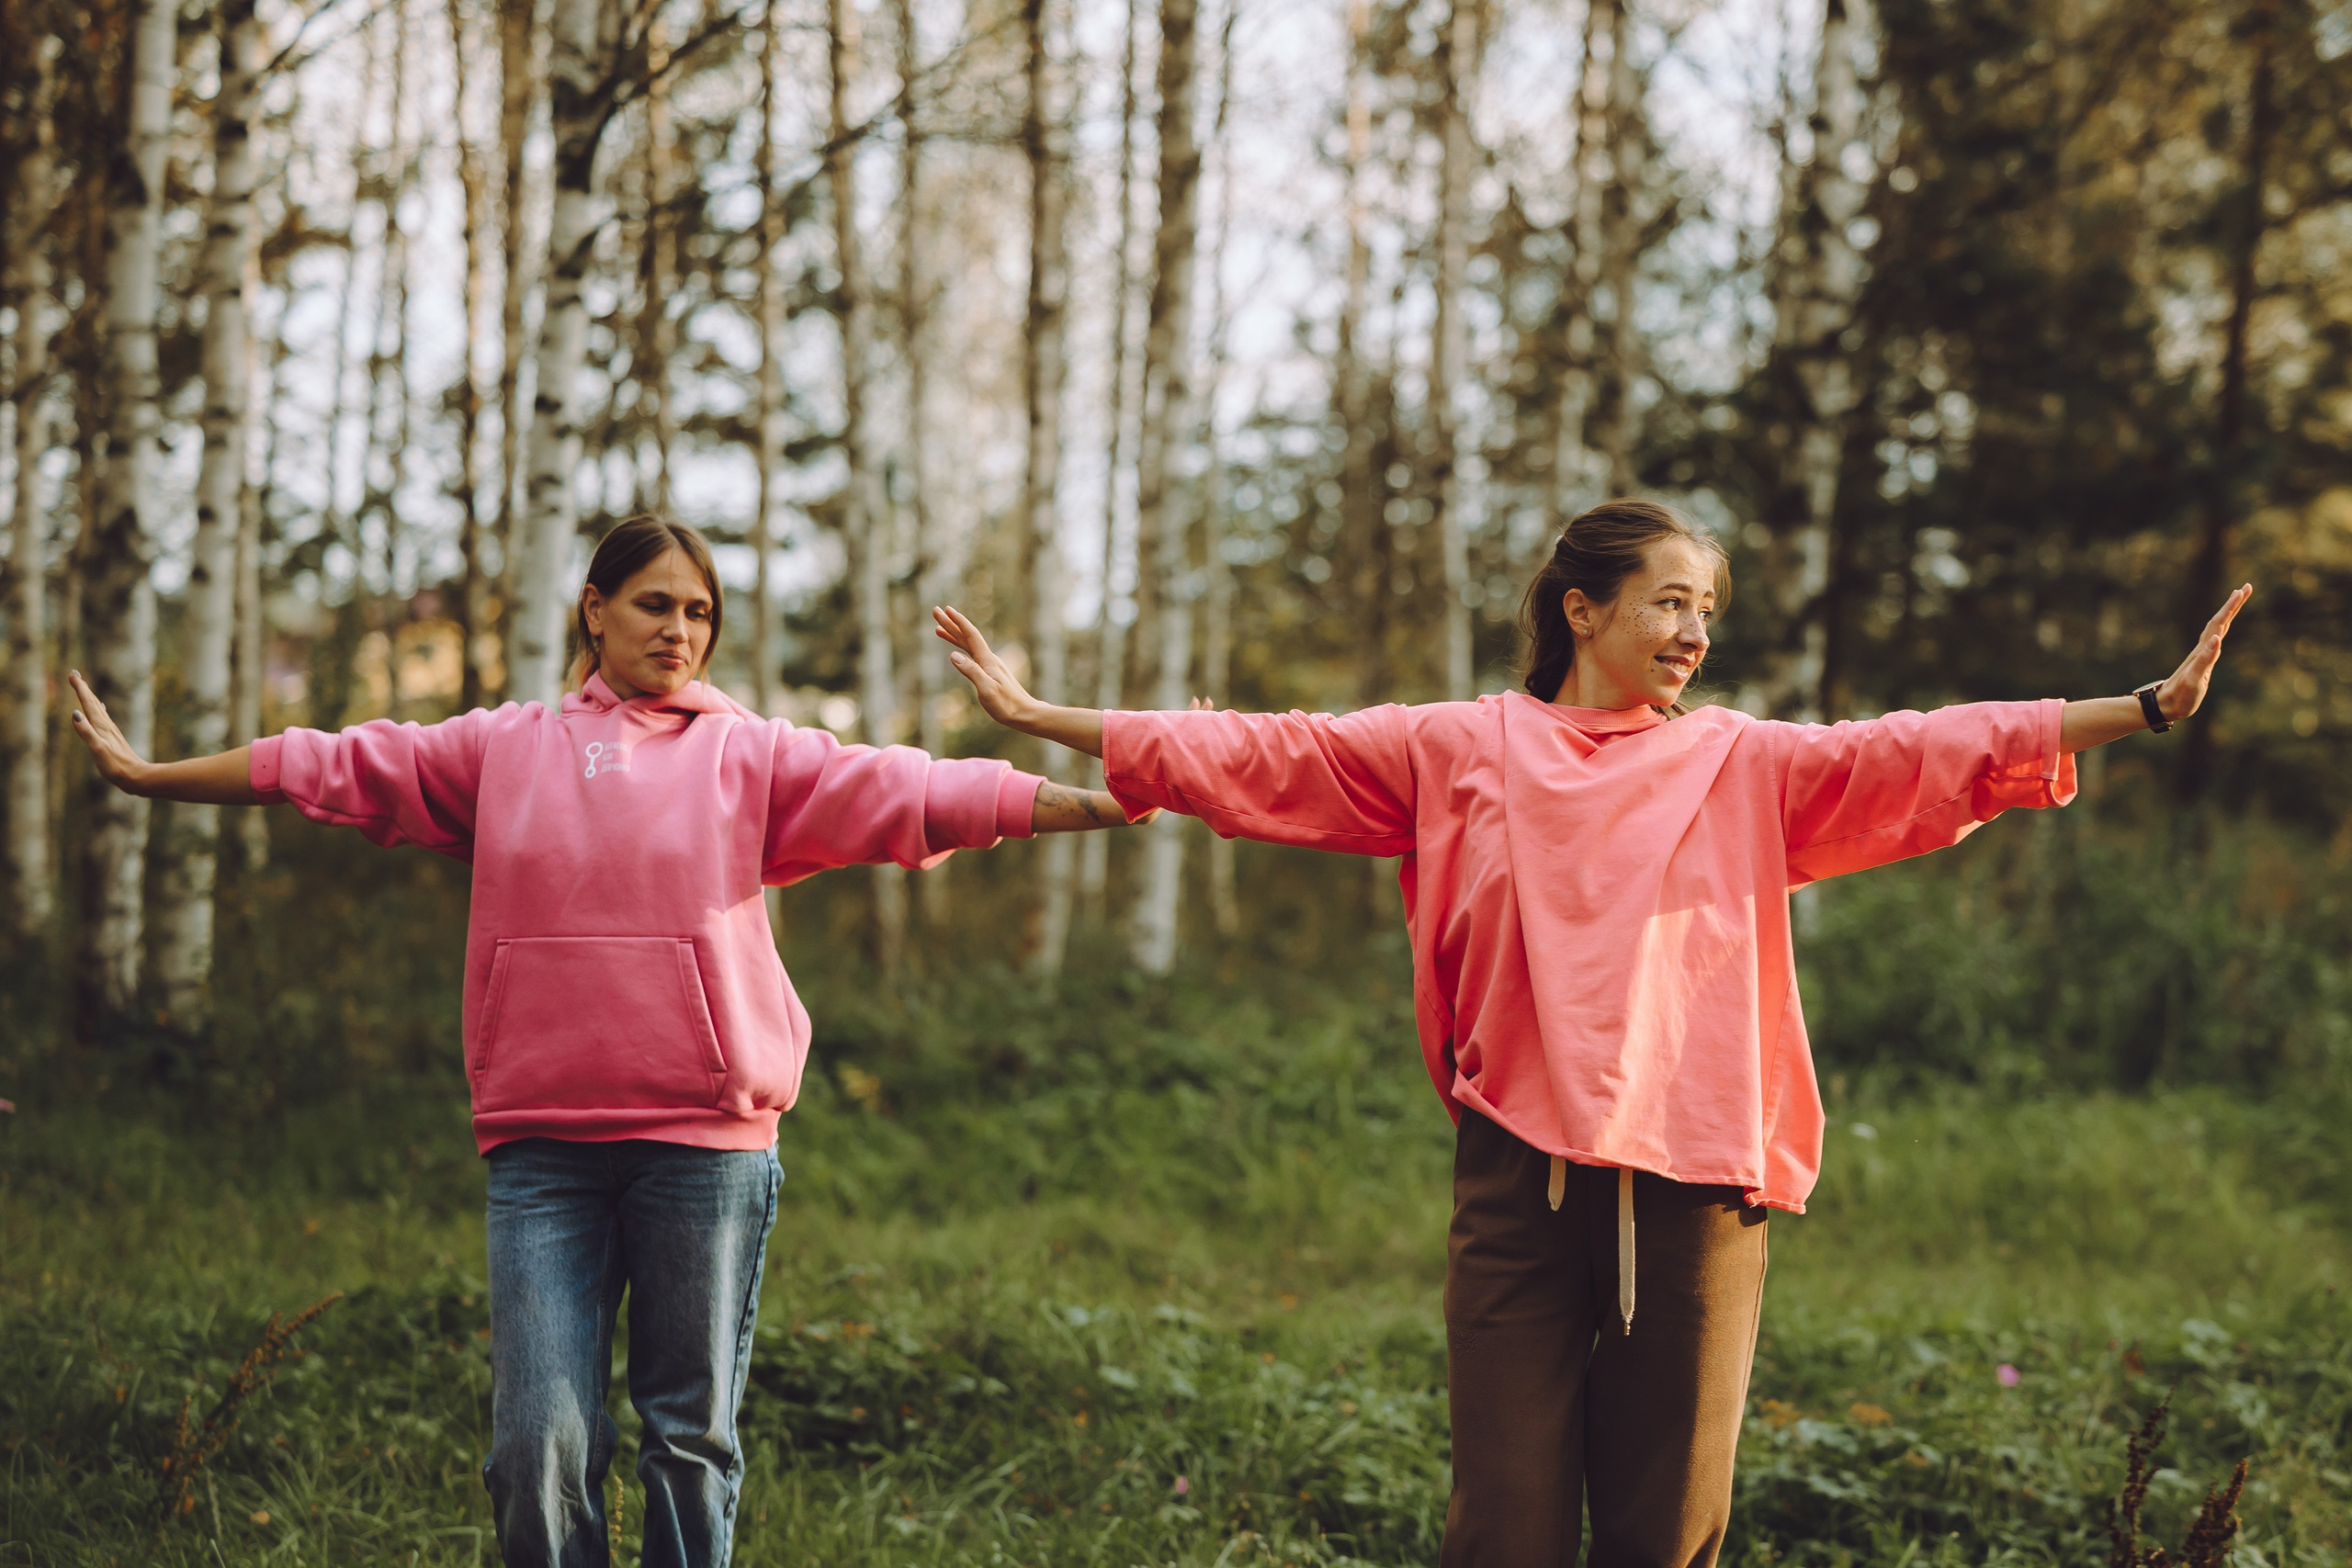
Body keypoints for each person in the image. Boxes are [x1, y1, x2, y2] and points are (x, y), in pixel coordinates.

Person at [931, 497, 2250, 1568]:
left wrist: (2137, 705)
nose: (1692, 633)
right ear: (1583, 607)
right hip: (1517, 1172)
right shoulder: (1461, 744)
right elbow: (1271, 750)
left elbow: (1919, 749)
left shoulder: (1739, 759)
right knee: (1501, 1525)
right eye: (1670, 601)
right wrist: (1050, 717)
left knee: (1664, 1531)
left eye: (1707, 611)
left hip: (1698, 1179)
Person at [70, 515, 1146, 1568]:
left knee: (687, 1443)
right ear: (594, 609)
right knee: (536, 1447)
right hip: (542, 1150)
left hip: (705, 1148)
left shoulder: (749, 756)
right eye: (653, 604)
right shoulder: (504, 750)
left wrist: (1096, 805)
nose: (679, 630)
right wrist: (150, 777)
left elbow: (914, 786)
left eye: (699, 612)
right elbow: (336, 763)